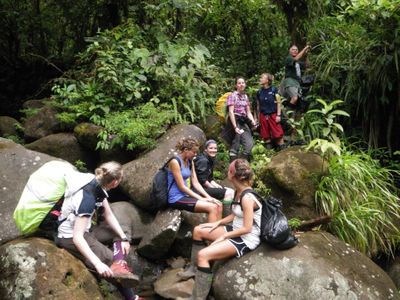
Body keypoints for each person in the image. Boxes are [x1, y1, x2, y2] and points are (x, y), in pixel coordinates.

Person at [55, 161, 143, 300]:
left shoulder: (96, 183)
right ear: (114, 182)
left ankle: (119, 263)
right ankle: (132, 296)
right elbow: (77, 237)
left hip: (85, 229)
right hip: (69, 236)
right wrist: (98, 263)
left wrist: (123, 237)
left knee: (122, 231)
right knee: (110, 261)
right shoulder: (87, 200)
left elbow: (108, 214)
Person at [179, 159, 262, 300]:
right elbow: (234, 215)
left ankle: (197, 297)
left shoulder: (247, 197)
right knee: (198, 230)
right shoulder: (238, 191)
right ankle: (194, 269)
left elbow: (247, 228)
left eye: (229, 170)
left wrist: (224, 236)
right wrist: (216, 224)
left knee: (203, 255)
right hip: (235, 229)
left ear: (232, 174)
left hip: (245, 238)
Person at [167, 137, 223, 223]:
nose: (195, 154)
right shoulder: (175, 162)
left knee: (218, 204)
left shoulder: (190, 161)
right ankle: (211, 234)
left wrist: (209, 197)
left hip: (186, 195)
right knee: (212, 207)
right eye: (194, 152)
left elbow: (195, 182)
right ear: (186, 150)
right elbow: (182, 186)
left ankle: (218, 231)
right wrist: (201, 198)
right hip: (176, 198)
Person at [226, 77, 257, 162]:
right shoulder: (232, 96)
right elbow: (231, 112)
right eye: (239, 83)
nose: (241, 84)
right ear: (236, 85)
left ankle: (243, 163)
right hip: (235, 120)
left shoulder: (245, 96)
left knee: (249, 143)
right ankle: (232, 165)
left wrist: (253, 123)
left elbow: (248, 112)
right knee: (236, 142)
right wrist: (235, 127)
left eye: (243, 83)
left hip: (243, 120)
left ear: (245, 84)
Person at [255, 73, 285, 150]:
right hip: (263, 116)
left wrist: (278, 115)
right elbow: (258, 106)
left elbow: (279, 102)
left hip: (273, 115)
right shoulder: (259, 92)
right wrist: (257, 119)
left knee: (278, 134)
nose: (260, 79)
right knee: (265, 135)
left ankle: (283, 151)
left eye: (262, 77)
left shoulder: (274, 90)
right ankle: (269, 153)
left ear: (267, 80)